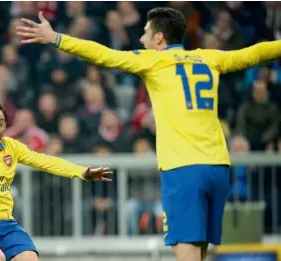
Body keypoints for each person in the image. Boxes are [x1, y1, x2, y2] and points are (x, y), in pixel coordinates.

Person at [16, 8, 281, 261]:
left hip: (183, 170)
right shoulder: (210, 57)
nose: (141, 39)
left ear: (159, 38)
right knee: (200, 253)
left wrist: (56, 38)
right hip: (219, 168)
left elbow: (103, 54)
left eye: (145, 33)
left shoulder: (153, 60)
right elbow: (255, 53)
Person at [0, 95, 112, 261]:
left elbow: (45, 161)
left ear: (5, 126)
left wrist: (81, 172)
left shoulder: (11, 147)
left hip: (5, 223)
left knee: (30, 259)